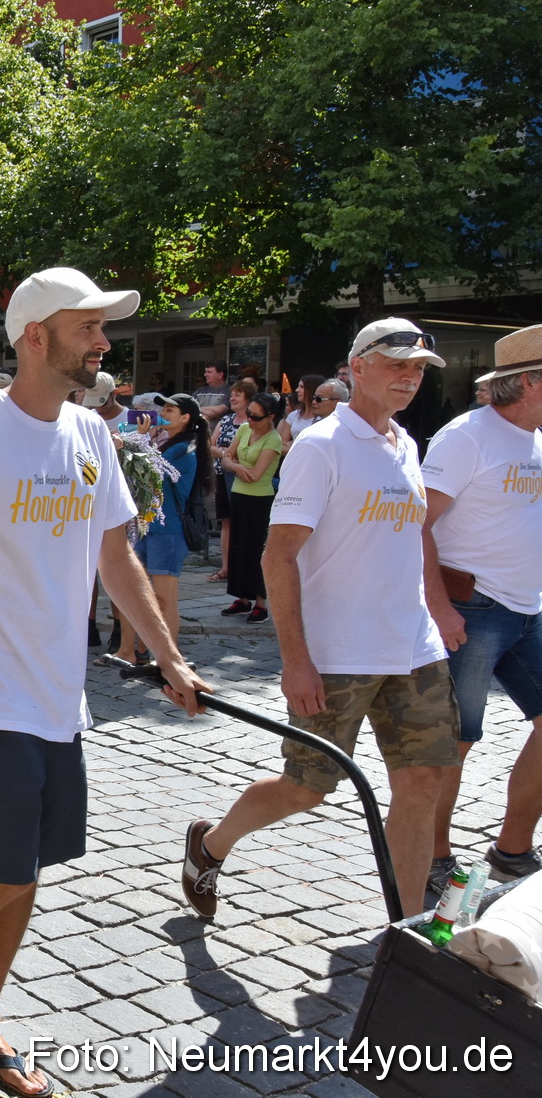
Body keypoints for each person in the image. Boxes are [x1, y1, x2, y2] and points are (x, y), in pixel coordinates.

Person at [0, 266, 204, 1093]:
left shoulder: (91, 433)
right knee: (3, 868)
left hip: (57, 697)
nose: (104, 343)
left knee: (27, 866)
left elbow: (117, 553)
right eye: (89, 328)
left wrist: (166, 652)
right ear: (35, 337)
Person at [185, 318, 454, 924]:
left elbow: (412, 539)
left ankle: (405, 925)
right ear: (357, 367)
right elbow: (277, 556)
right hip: (338, 655)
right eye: (396, 366)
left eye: (417, 370)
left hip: (414, 647)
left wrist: (436, 609)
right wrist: (297, 660)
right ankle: (211, 844)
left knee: (421, 784)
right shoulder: (321, 446)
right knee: (307, 788)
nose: (409, 379)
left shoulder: (405, 443)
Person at [423, 323, 542, 887]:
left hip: (528, 610)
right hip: (472, 610)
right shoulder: (466, 436)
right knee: (457, 739)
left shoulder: (536, 438)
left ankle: (513, 849)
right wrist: (439, 605)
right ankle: (434, 855)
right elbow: (414, 526)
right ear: (532, 383)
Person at [106, 393, 208, 666]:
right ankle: (128, 651)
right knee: (132, 591)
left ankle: (168, 659)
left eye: (171, 410)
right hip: (145, 526)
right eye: (163, 408)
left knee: (163, 598)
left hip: (169, 531)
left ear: (185, 418)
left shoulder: (185, 448)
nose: (163, 413)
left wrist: (138, 439)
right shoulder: (164, 443)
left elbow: (150, 473)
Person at [220, 391, 285, 623]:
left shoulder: (274, 439)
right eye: (249, 415)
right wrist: (235, 466)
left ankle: (260, 602)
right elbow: (227, 456)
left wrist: (233, 464)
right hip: (238, 494)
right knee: (237, 547)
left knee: (256, 549)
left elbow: (256, 475)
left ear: (271, 417)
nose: (250, 421)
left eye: (256, 417)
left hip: (259, 499)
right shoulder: (244, 429)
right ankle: (242, 597)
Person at [207, 379, 257, 583]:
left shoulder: (253, 423)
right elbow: (209, 445)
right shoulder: (226, 420)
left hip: (242, 478)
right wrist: (226, 453)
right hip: (221, 474)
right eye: (232, 394)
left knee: (242, 522)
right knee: (226, 522)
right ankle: (226, 567)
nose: (233, 398)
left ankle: (242, 567)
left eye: (238, 394)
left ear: (248, 399)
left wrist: (228, 455)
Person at [278, 374, 328, 448]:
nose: (297, 390)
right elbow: (282, 444)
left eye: (302, 387)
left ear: (312, 389)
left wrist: (293, 444)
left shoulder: (325, 418)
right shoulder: (293, 415)